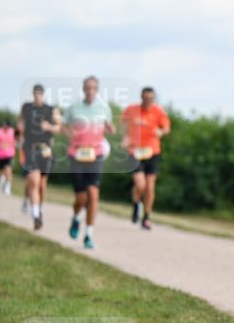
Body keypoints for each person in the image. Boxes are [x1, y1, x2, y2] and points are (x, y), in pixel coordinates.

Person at [64, 76, 115, 249]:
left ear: (97, 90)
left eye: (94, 88)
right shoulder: (73, 108)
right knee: (81, 197)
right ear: (83, 89)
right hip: (77, 155)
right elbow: (64, 126)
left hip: (96, 155)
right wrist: (69, 133)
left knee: (93, 195)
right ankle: (76, 218)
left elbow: (109, 125)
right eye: (88, 88)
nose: (90, 91)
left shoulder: (104, 109)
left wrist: (111, 128)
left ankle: (89, 234)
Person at [121, 87, 171, 230]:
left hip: (152, 152)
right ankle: (136, 202)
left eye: (151, 98)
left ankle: (147, 217)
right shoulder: (131, 110)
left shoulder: (159, 111)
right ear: (141, 97)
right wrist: (125, 138)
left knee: (150, 186)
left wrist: (161, 131)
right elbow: (124, 125)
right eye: (145, 98)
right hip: (135, 151)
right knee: (140, 184)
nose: (148, 101)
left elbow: (166, 128)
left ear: (154, 99)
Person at [19, 84, 61, 230]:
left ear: (43, 95)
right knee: (34, 180)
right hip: (30, 148)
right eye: (35, 94)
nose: (37, 96)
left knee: (42, 185)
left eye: (40, 94)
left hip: (45, 149)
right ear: (32, 94)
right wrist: (21, 134)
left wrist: (49, 127)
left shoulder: (51, 110)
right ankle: (36, 215)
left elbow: (59, 127)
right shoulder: (26, 107)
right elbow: (20, 122)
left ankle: (38, 208)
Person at [0, 120, 16, 195]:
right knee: (0, 170)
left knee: (8, 169)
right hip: (0, 154)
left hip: (9, 154)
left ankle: (7, 187)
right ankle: (0, 182)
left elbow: (17, 140)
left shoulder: (13, 132)